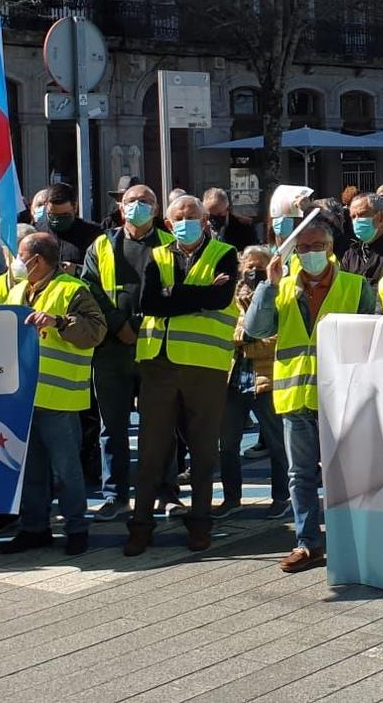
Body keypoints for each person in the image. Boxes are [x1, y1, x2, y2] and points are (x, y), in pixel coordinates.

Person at [237, 220, 378, 577]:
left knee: (346, 475)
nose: (311, 253)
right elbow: (256, 329)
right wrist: (269, 284)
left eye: (318, 246)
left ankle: (351, 543)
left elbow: (376, 333)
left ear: (331, 248)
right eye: (303, 248)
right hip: (296, 397)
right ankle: (307, 543)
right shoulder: (281, 288)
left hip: (342, 397)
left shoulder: (355, 285)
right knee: (300, 474)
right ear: (293, 252)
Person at [125, 196, 238, 557]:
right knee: (151, 451)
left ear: (205, 221)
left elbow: (222, 299)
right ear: (168, 223)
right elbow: (149, 303)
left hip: (205, 366)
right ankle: (141, 524)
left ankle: (200, 522)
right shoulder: (157, 255)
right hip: (158, 364)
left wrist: (174, 293)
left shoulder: (225, 252)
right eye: (178, 217)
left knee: (204, 451)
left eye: (192, 216)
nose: (185, 221)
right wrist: (196, 295)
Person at [0, 232, 107, 556]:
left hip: (58, 399)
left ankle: (76, 528)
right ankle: (34, 528)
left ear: (38, 260)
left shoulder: (73, 290)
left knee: (66, 471)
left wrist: (59, 322)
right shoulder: (17, 291)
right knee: (30, 470)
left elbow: (95, 332)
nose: (17, 262)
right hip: (23, 400)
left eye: (21, 255)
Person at [82, 183, 168, 522]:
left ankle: (165, 491)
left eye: (146, 201)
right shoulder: (101, 245)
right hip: (111, 350)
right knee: (111, 427)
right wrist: (119, 324)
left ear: (157, 210)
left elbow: (176, 289)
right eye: (132, 201)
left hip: (157, 347)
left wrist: (141, 325)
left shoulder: (169, 245)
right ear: (121, 208)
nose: (138, 206)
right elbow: (89, 289)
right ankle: (115, 494)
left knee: (161, 425)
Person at [220, 247, 289, 521]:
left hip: (266, 379)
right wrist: (247, 335)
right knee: (227, 444)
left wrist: (246, 338)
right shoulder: (228, 295)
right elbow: (226, 331)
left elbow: (274, 337)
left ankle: (281, 497)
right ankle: (231, 498)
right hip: (233, 379)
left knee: (277, 443)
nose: (253, 270)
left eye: (259, 265)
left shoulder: (280, 295)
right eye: (248, 265)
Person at [340, 192, 383, 286]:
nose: (357, 221)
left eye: (362, 214)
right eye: (353, 217)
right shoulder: (351, 255)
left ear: (381, 217)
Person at [35, 181, 103, 261]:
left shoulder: (93, 233)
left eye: (64, 215)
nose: (57, 220)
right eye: (53, 215)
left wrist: (77, 269)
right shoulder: (36, 232)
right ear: (46, 206)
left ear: (75, 207)